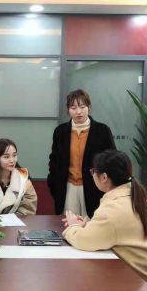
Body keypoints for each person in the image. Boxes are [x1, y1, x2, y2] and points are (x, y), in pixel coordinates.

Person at [63, 149, 147, 288]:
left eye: (93, 171)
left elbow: (83, 241)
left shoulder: (111, 211)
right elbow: (119, 230)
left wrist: (73, 226)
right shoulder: (135, 197)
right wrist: (91, 226)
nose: (92, 175)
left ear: (104, 177)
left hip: (143, 286)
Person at [48, 89, 116, 218]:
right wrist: (53, 184)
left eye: (82, 107)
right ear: (68, 110)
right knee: (69, 224)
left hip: (94, 187)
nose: (78, 112)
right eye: (73, 108)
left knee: (92, 224)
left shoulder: (102, 131)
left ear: (89, 108)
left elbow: (112, 160)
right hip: (68, 187)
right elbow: (54, 160)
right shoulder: (60, 132)